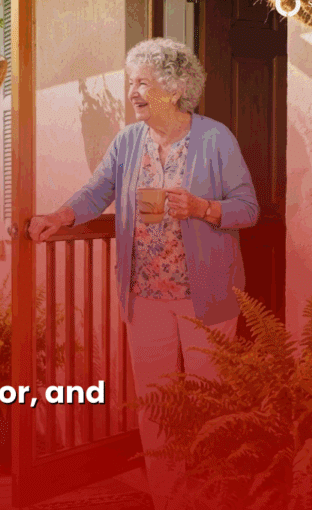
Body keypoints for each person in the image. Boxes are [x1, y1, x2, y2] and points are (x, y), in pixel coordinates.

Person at [27, 37, 259, 510]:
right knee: (157, 407)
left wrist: (203, 207)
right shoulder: (128, 142)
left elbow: (248, 208)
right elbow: (97, 191)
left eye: (142, 83)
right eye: (131, 82)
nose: (133, 92)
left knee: (208, 405)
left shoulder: (215, 139)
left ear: (174, 90)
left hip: (207, 297)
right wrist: (60, 216)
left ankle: (211, 500)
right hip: (145, 294)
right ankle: (169, 500)